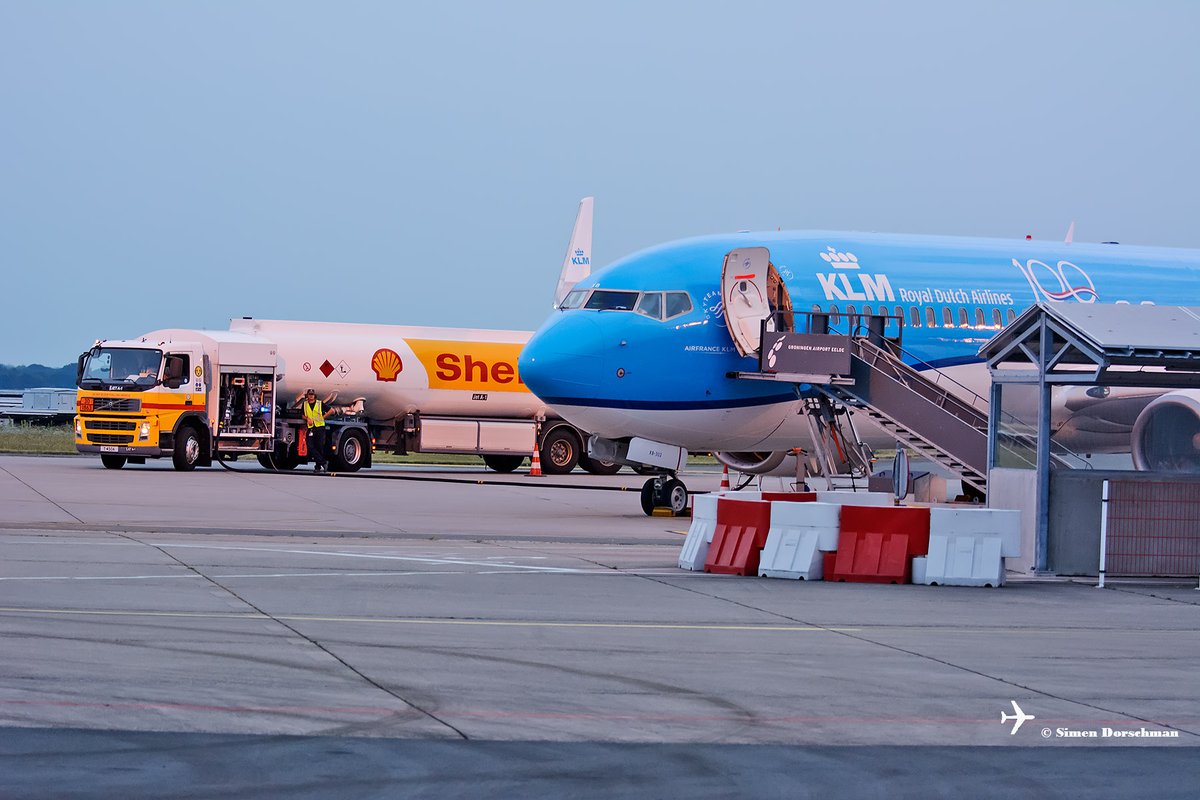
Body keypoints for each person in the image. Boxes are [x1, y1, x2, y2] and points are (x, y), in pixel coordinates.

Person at [302, 388, 334, 473]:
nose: (311, 396)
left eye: (312, 394)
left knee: (319, 447)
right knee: (310, 446)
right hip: (311, 427)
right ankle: (323, 462)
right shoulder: (305, 404)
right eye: (309, 394)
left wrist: (323, 417)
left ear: (314, 396)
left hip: (320, 427)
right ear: (307, 396)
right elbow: (302, 415)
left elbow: (331, 410)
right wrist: (307, 418)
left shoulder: (320, 403)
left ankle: (317, 467)